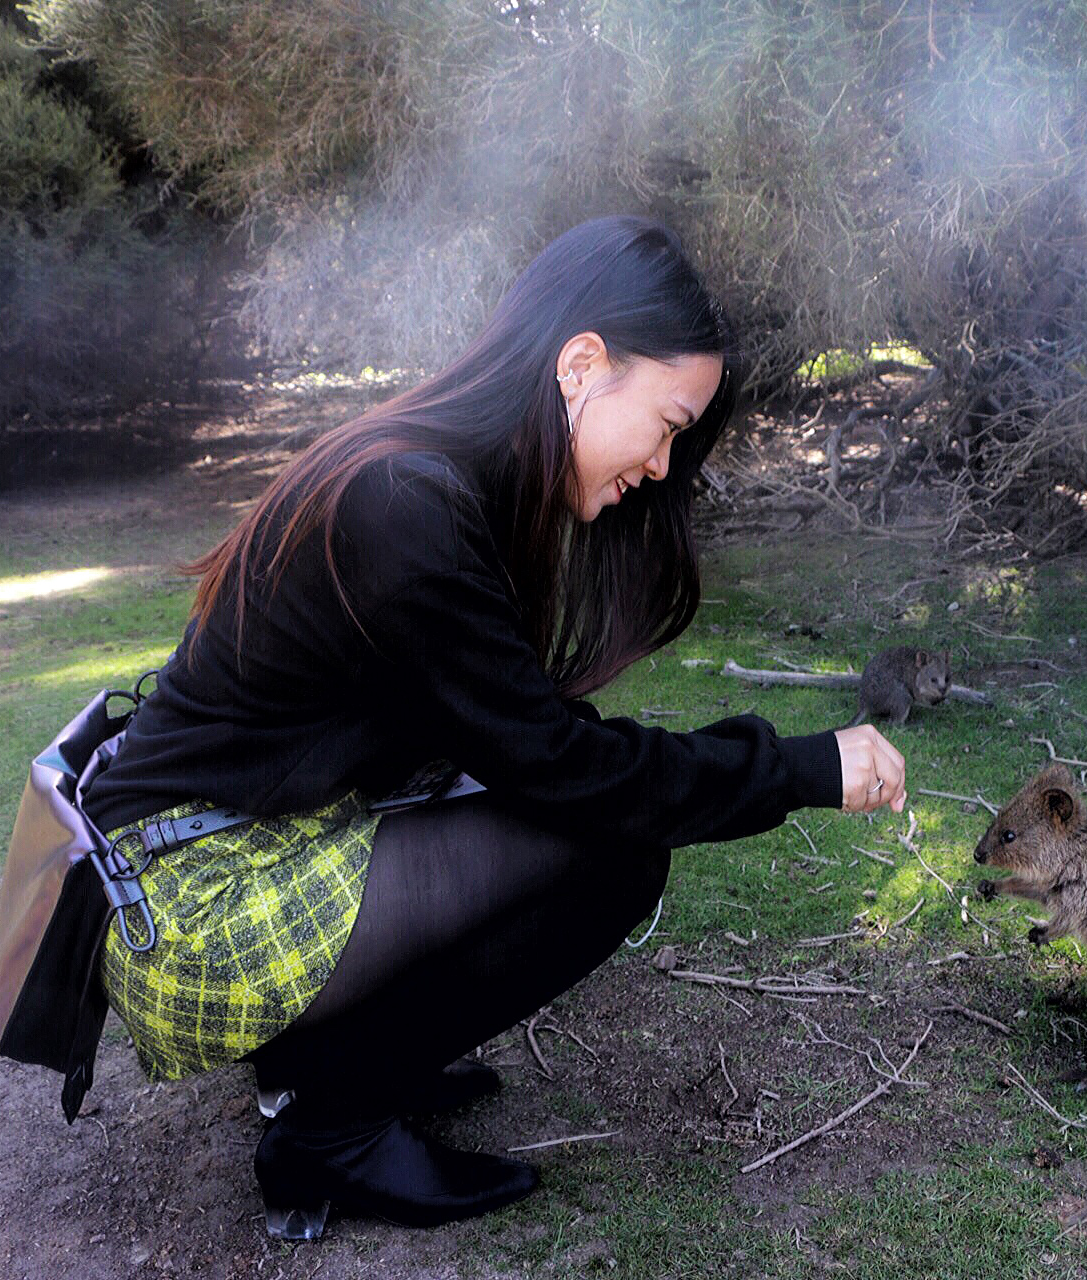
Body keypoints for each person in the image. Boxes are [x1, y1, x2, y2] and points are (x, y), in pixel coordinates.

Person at [79, 215, 908, 1240]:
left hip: (237, 844)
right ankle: (329, 1125)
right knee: (612, 852)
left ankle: (331, 1061)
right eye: (669, 421)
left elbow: (521, 739)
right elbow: (563, 767)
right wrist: (795, 767)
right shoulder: (404, 505)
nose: (663, 464)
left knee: (564, 819)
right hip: (189, 907)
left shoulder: (438, 478)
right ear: (583, 364)